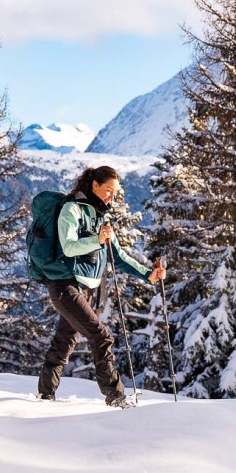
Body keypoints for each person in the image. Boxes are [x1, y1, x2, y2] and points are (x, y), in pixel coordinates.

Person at [37, 166, 166, 408]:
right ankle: (115, 396)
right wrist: (96, 239)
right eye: (108, 190)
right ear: (94, 185)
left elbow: (117, 257)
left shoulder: (101, 217)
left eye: (115, 193)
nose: (111, 197)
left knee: (65, 339)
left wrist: (148, 274)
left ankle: (45, 394)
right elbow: (69, 247)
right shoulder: (71, 209)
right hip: (64, 285)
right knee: (101, 337)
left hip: (83, 289)